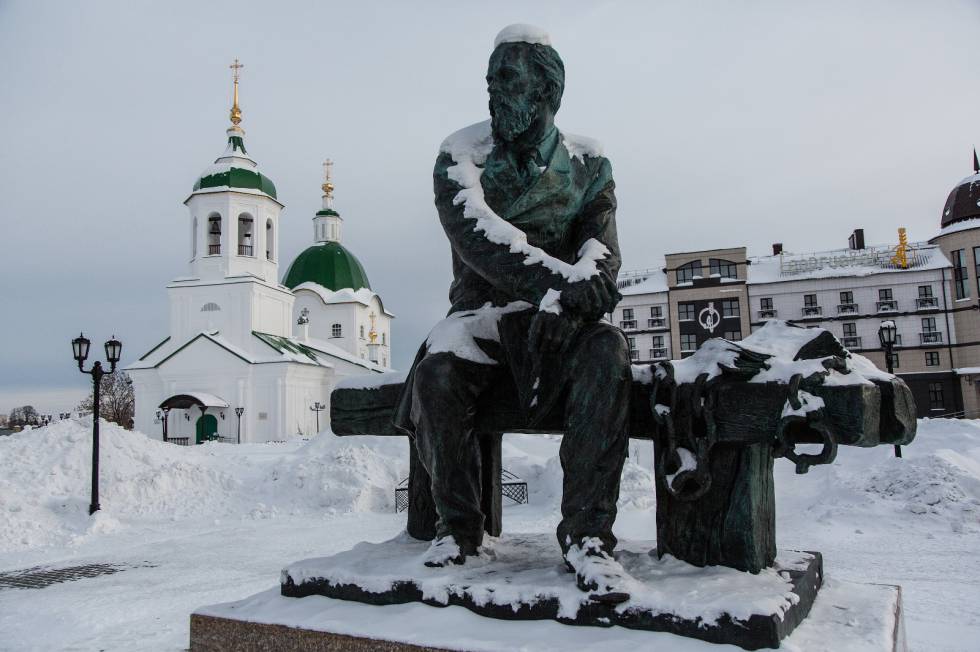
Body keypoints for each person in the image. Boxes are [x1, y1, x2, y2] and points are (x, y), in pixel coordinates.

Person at [394, 24, 631, 600]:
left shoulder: (590, 164)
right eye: (491, 80)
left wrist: (584, 293)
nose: (494, 92)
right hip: (484, 318)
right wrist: (565, 286)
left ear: (547, 92)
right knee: (438, 373)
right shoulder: (460, 157)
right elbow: (484, 242)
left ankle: (587, 536)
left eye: (507, 79)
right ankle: (459, 529)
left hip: (566, 325)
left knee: (608, 353)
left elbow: (602, 249)